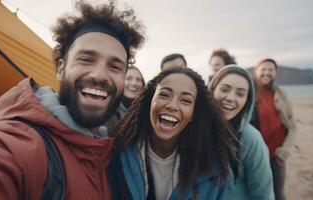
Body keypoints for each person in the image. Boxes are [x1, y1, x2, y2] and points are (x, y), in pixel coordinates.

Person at [0, 1, 145, 199]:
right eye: (86, 59)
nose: (100, 75)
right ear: (60, 68)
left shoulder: (112, 158)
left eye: (115, 67)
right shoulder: (18, 143)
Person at [109, 67, 238, 199]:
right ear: (150, 102)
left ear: (193, 114)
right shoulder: (118, 155)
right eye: (164, 95)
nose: (172, 105)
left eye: (186, 100)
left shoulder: (214, 169)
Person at [209, 65, 274, 200]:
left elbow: (263, 193)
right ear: (212, 90)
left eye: (240, 94)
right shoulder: (196, 130)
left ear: (247, 101)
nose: (231, 98)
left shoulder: (250, 138)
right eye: (224, 89)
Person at [251, 58, 297, 200]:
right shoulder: (248, 91)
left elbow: (292, 125)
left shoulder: (281, 93)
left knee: (278, 195)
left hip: (276, 156)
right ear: (256, 71)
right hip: (254, 156)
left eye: (270, 70)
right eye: (263, 69)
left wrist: (285, 151)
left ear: (275, 72)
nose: (267, 73)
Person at [105, 65, 145, 135]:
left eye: (138, 80)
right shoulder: (106, 111)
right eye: (128, 79)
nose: (134, 83)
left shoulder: (146, 113)